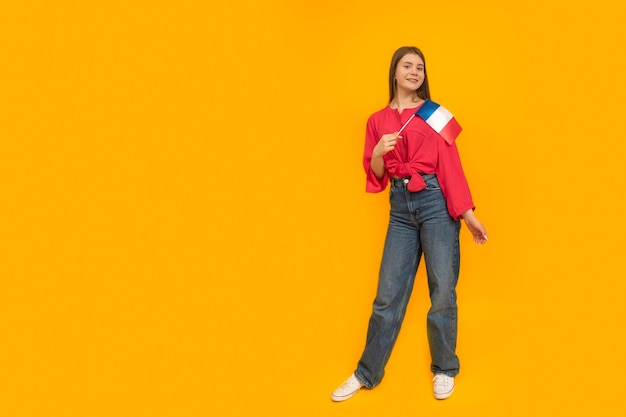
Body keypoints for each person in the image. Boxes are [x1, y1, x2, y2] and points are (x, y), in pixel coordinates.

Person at [331, 46, 488, 402]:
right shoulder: (376, 120)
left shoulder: (434, 114)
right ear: (395, 72)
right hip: (400, 207)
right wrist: (376, 154)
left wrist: (468, 215)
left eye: (420, 67)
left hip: (435, 202)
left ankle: (445, 367)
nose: (414, 72)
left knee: (443, 290)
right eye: (408, 66)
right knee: (387, 295)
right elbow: (376, 177)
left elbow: (451, 165)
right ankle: (366, 373)